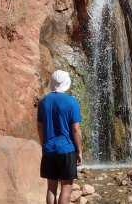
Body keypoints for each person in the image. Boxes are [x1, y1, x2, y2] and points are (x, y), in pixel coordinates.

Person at [37, 70, 82, 204]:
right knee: (66, 187)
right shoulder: (72, 102)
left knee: (51, 187)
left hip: (48, 149)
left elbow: (40, 127)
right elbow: (76, 129)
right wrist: (79, 151)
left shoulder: (43, 102)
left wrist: (43, 144)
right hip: (66, 149)